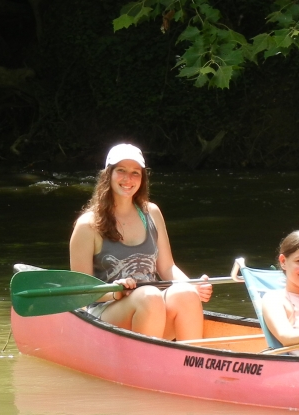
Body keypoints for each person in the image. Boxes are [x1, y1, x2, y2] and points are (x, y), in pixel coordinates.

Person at [69, 143, 212, 339]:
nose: (128, 179)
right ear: (108, 174)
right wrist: (115, 292)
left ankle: (192, 364)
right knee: (149, 296)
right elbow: (80, 292)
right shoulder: (87, 225)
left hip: (151, 308)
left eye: (135, 173)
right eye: (121, 171)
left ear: (142, 178)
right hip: (106, 313)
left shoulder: (151, 212)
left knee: (185, 293)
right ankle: (147, 364)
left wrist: (193, 284)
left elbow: (167, 267)